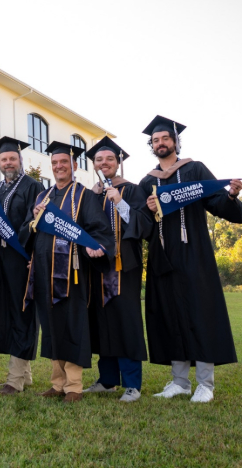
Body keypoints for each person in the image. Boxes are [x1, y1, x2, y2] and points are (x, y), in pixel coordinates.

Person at [136, 116, 242, 403]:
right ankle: (179, 382)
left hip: (194, 253)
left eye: (165, 138)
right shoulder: (147, 181)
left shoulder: (194, 169)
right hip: (163, 256)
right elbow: (142, 224)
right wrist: (149, 208)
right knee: (170, 315)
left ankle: (205, 384)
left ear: (176, 141)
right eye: (156, 140)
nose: (161, 143)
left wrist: (229, 195)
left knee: (200, 313)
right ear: (151, 146)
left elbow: (215, 202)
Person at [27, 141, 114, 403]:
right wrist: (33, 218)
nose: (59, 166)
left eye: (64, 162)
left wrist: (98, 246)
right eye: (55, 163)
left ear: (74, 165)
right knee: (52, 326)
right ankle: (57, 383)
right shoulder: (42, 197)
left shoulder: (84, 195)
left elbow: (99, 229)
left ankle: (74, 386)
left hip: (72, 274)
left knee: (72, 325)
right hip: (44, 271)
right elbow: (31, 231)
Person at [83, 136, 149, 402]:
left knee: (126, 322)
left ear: (118, 162)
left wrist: (120, 201)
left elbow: (144, 225)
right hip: (96, 268)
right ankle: (107, 379)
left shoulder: (132, 190)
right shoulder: (89, 195)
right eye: (99, 159)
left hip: (125, 267)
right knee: (101, 322)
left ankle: (132, 383)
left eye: (109, 158)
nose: (104, 162)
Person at [0, 136, 44, 395]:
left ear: (20, 160)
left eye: (12, 159)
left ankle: (15, 378)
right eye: (4, 159)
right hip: (0, 260)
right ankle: (24, 375)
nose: (8, 162)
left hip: (21, 259)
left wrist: (30, 255)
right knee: (9, 312)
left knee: (23, 313)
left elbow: (33, 223)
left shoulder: (33, 186)